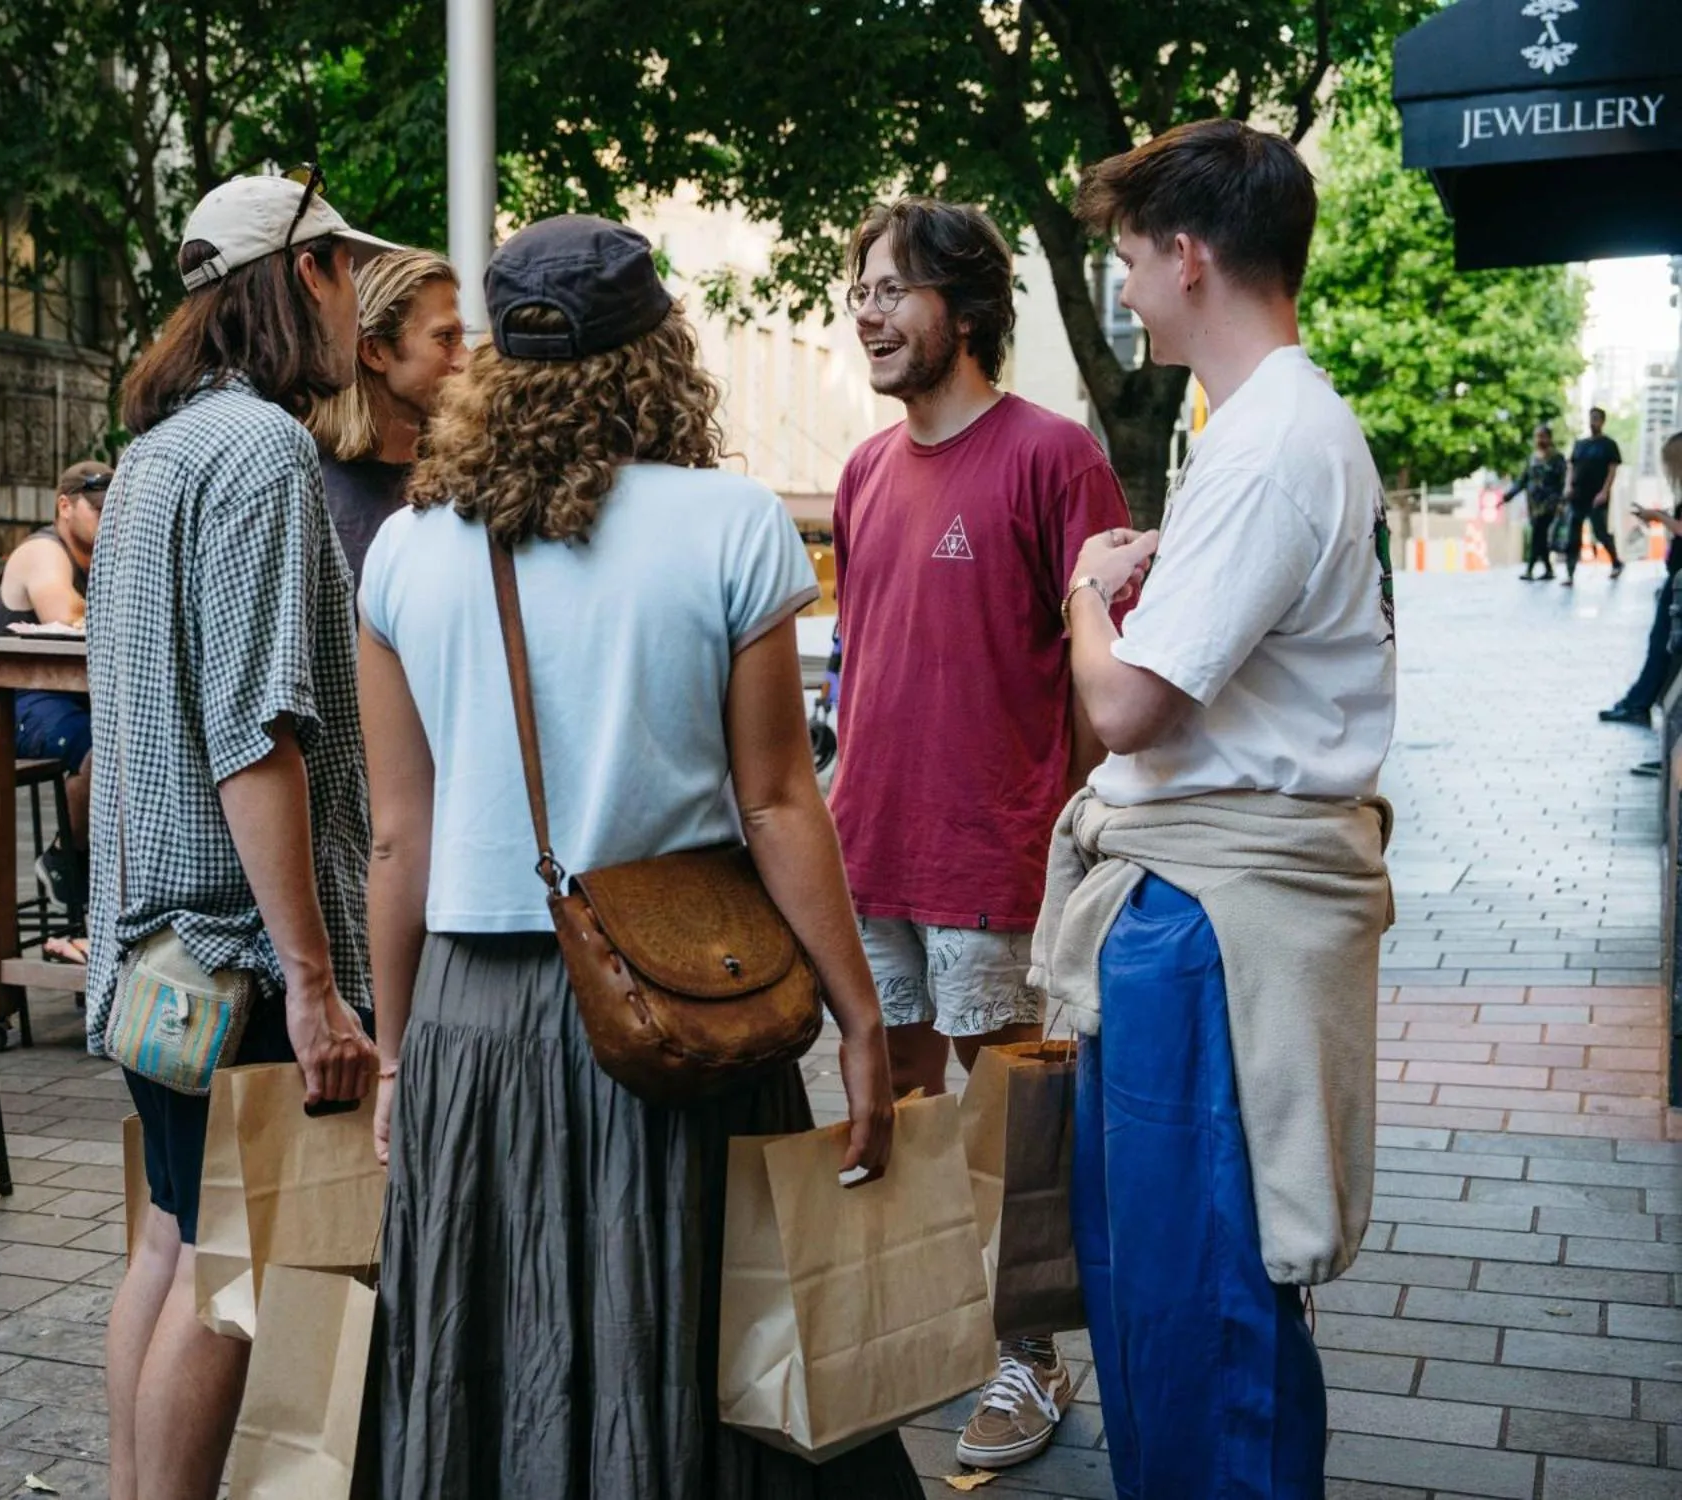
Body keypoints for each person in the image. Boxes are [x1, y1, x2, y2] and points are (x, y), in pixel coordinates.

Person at [359, 214, 914, 1499]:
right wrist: (860, 1019)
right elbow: (779, 803)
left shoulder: (405, 548)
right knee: (688, 1335)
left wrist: (395, 1055)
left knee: (489, 1342)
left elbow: (400, 833)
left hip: (472, 1015)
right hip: (680, 1006)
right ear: (658, 350)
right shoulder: (730, 526)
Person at [1045, 120, 1396, 1499]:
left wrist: (1085, 590)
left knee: (1195, 1293)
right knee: (1177, 1285)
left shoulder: (1263, 449)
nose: (1127, 290)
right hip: (1212, 898)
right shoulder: (1265, 428)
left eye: (1132, 261)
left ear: (1188, 257)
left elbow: (1127, 708)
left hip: (1207, 918)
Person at [91, 172, 385, 1500]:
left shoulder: (154, 455)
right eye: (345, 274)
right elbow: (255, 732)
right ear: (301, 276)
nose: (360, 316)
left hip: (163, 958)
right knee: (235, 1268)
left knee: (170, 1245)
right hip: (242, 960)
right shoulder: (263, 452)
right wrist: (317, 988)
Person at [826, 195, 1130, 1471]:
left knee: (1010, 1122)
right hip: (867, 847)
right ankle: (909, 1333)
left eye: (891, 289)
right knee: (884, 1103)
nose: (866, 313)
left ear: (961, 306)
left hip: (994, 856)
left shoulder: (1057, 457)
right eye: (858, 290)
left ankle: (1027, 1358)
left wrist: (1095, 843)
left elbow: (1100, 674)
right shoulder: (858, 470)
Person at [0, 460, 112, 920]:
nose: (107, 518)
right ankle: (67, 861)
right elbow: (64, 610)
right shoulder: (43, 551)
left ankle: (105, 900)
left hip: (79, 696)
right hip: (12, 701)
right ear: (65, 506)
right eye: (98, 510)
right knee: (103, 752)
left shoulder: (104, 557)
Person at [304, 248, 470, 586]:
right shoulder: (308, 488)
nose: (464, 360)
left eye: (461, 338)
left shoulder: (466, 473)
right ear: (375, 352)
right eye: (445, 339)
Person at [1601, 431, 1682, 731]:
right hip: (1675, 576)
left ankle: (1638, 703)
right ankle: (1638, 700)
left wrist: (1658, 517)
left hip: (1679, 581)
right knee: (1659, 641)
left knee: (1661, 641)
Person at [1563, 405, 1625, 584]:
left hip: (1597, 496)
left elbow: (1612, 469)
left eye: (1597, 418)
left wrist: (1605, 491)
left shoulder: (1608, 445)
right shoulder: (1580, 444)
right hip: (1578, 495)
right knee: (1573, 535)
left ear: (1603, 421)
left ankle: (1616, 562)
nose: (1593, 422)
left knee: (1600, 532)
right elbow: (1571, 467)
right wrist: (1568, 487)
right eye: (1591, 418)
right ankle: (1570, 573)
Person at [1502, 424, 1566, 582]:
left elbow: (1563, 482)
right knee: (1540, 536)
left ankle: (1529, 569)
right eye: (1537, 436)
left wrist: (1561, 502)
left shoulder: (1557, 458)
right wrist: (1509, 495)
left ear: (1549, 438)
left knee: (1538, 534)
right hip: (1533, 505)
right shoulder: (1532, 459)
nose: (1540, 440)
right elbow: (1523, 480)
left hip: (1549, 504)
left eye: (1543, 436)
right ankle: (1548, 569)